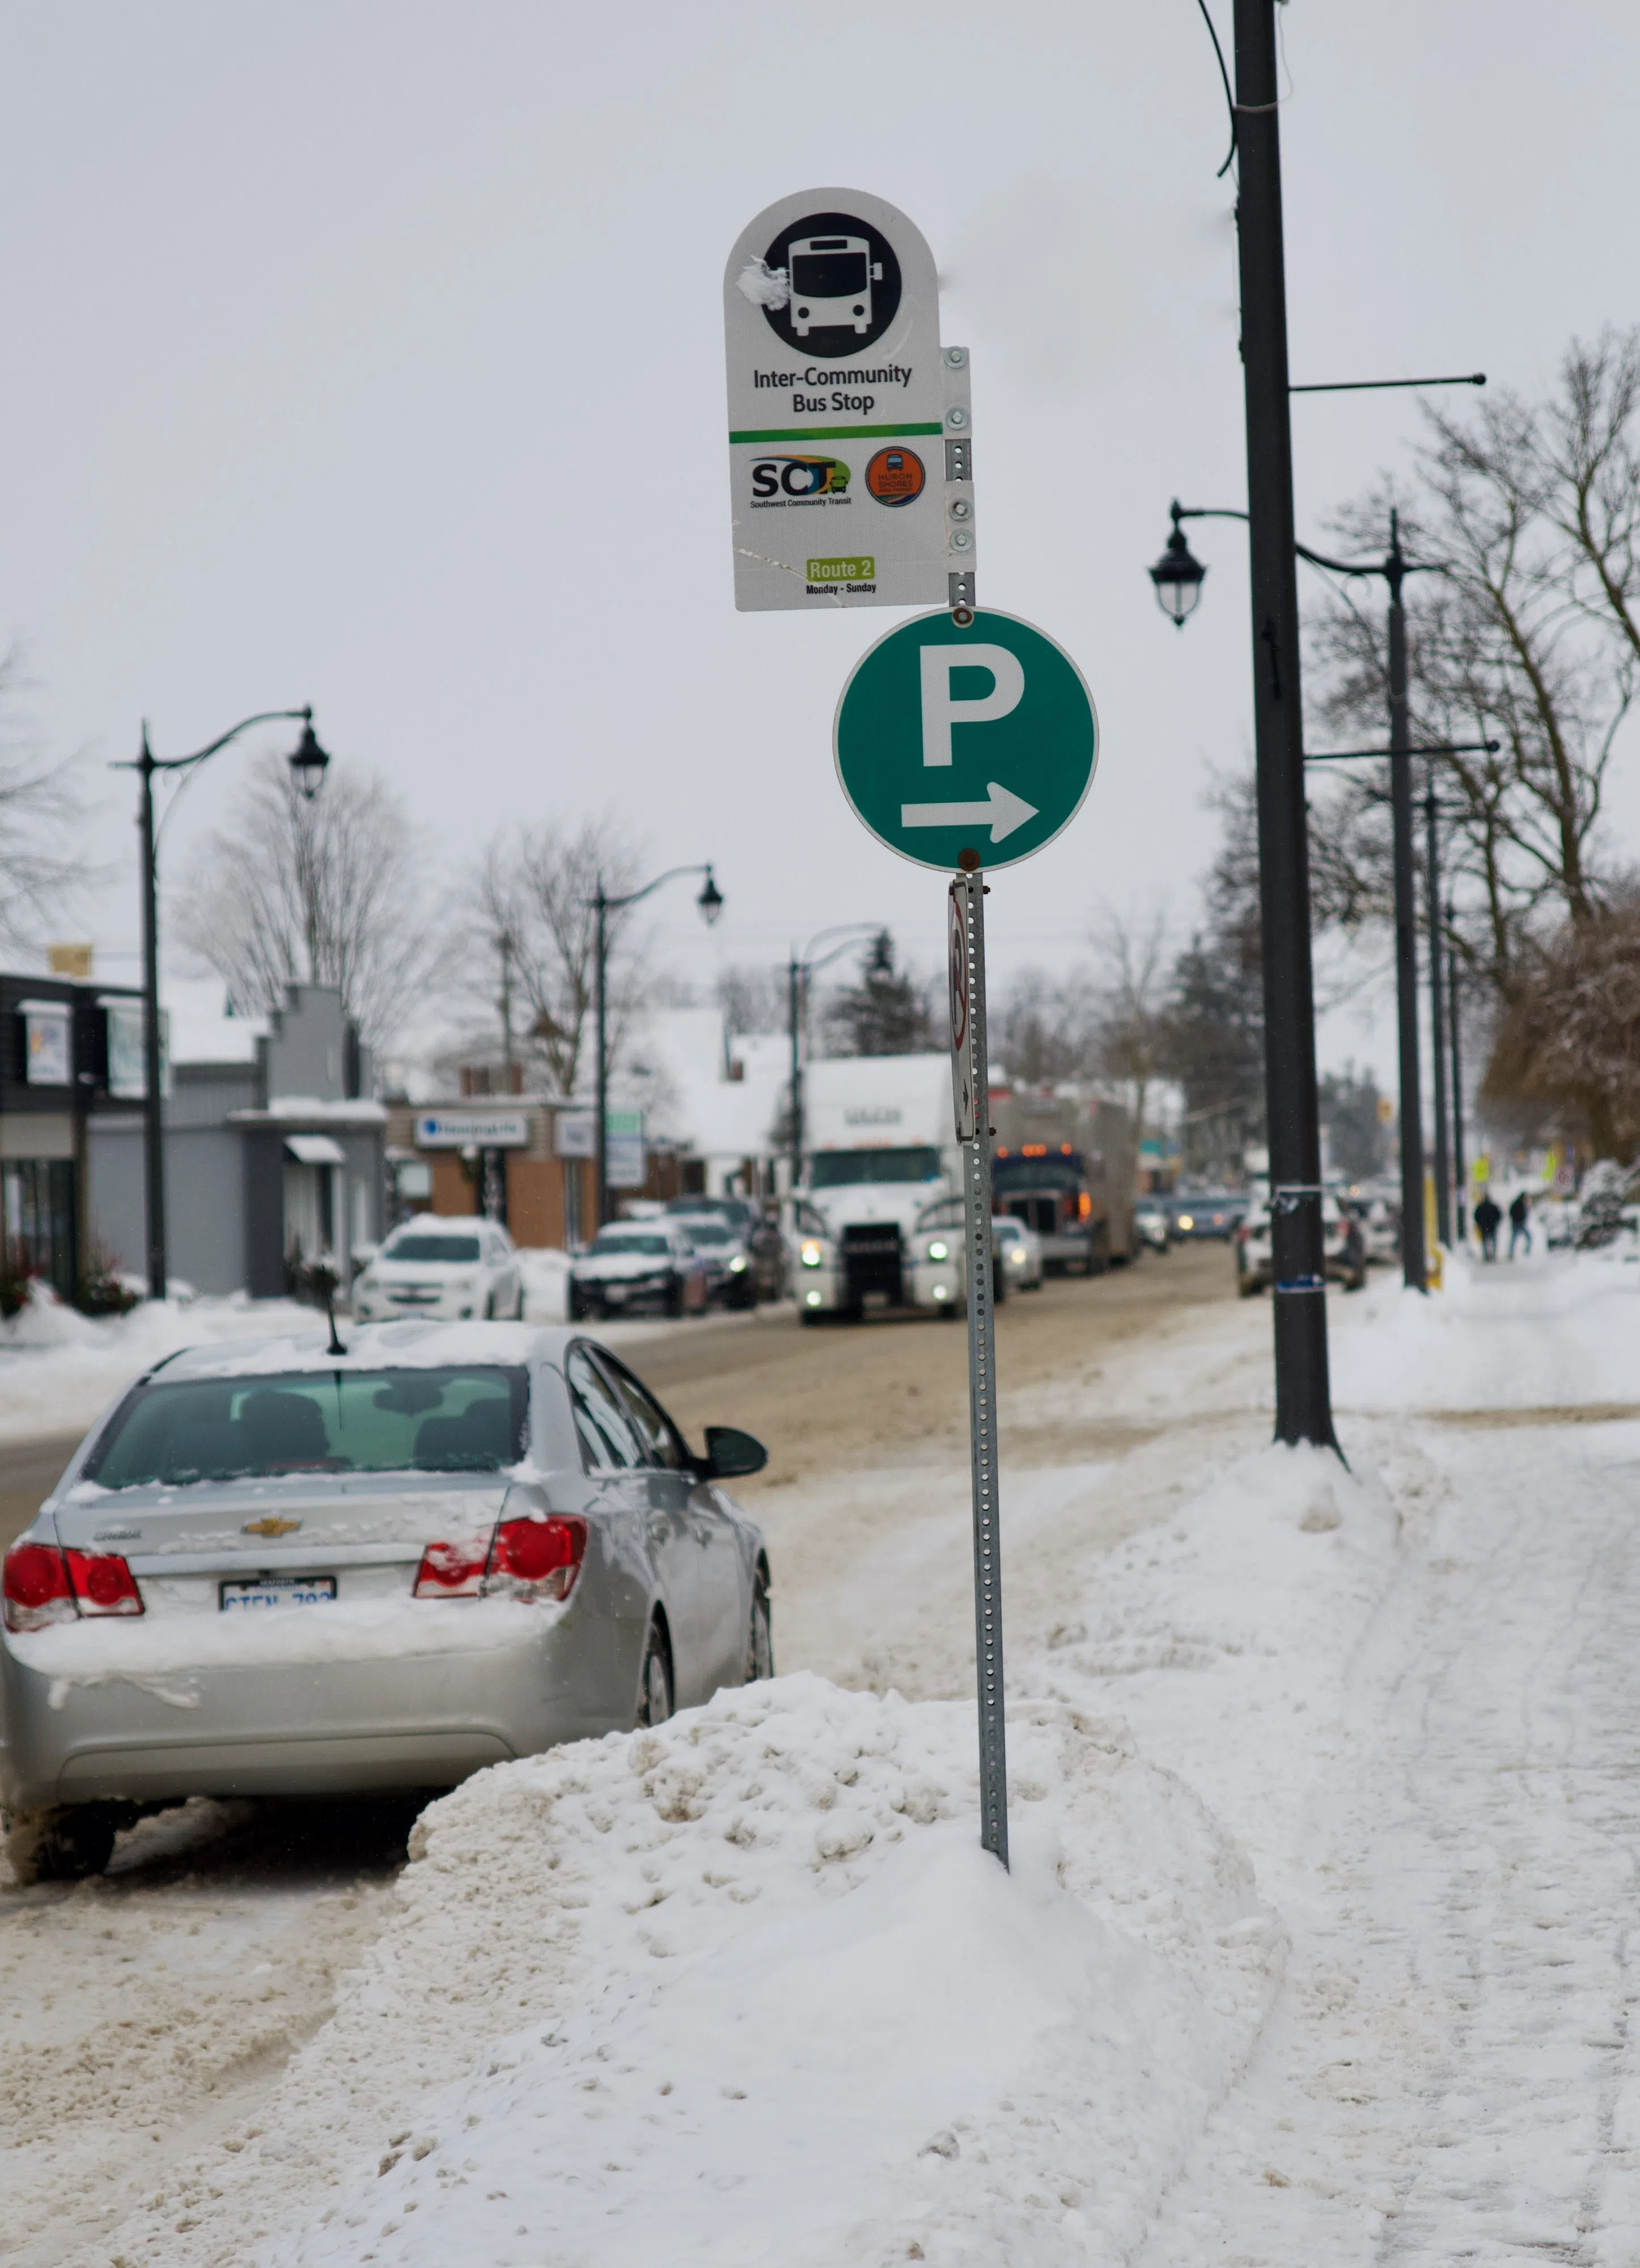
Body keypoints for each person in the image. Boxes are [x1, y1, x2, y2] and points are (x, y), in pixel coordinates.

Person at [1474, 1191, 1502, 1261]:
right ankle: (1494, 1255)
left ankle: (1486, 1256)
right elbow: (1499, 1215)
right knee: (1494, 1241)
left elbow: (1476, 1216)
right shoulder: (1493, 1206)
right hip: (1492, 1226)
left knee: (1484, 1242)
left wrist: (1480, 1223)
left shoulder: (1480, 1207)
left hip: (1484, 1226)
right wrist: (1496, 1222)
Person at [1508, 1190, 1531, 1259]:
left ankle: (1511, 1253)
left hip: (1517, 1223)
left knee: (1514, 1239)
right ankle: (1525, 1251)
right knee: (1527, 1237)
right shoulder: (1520, 1204)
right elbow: (1515, 1213)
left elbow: (1511, 1212)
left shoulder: (1518, 1203)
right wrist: (1519, 1218)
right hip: (1519, 1223)